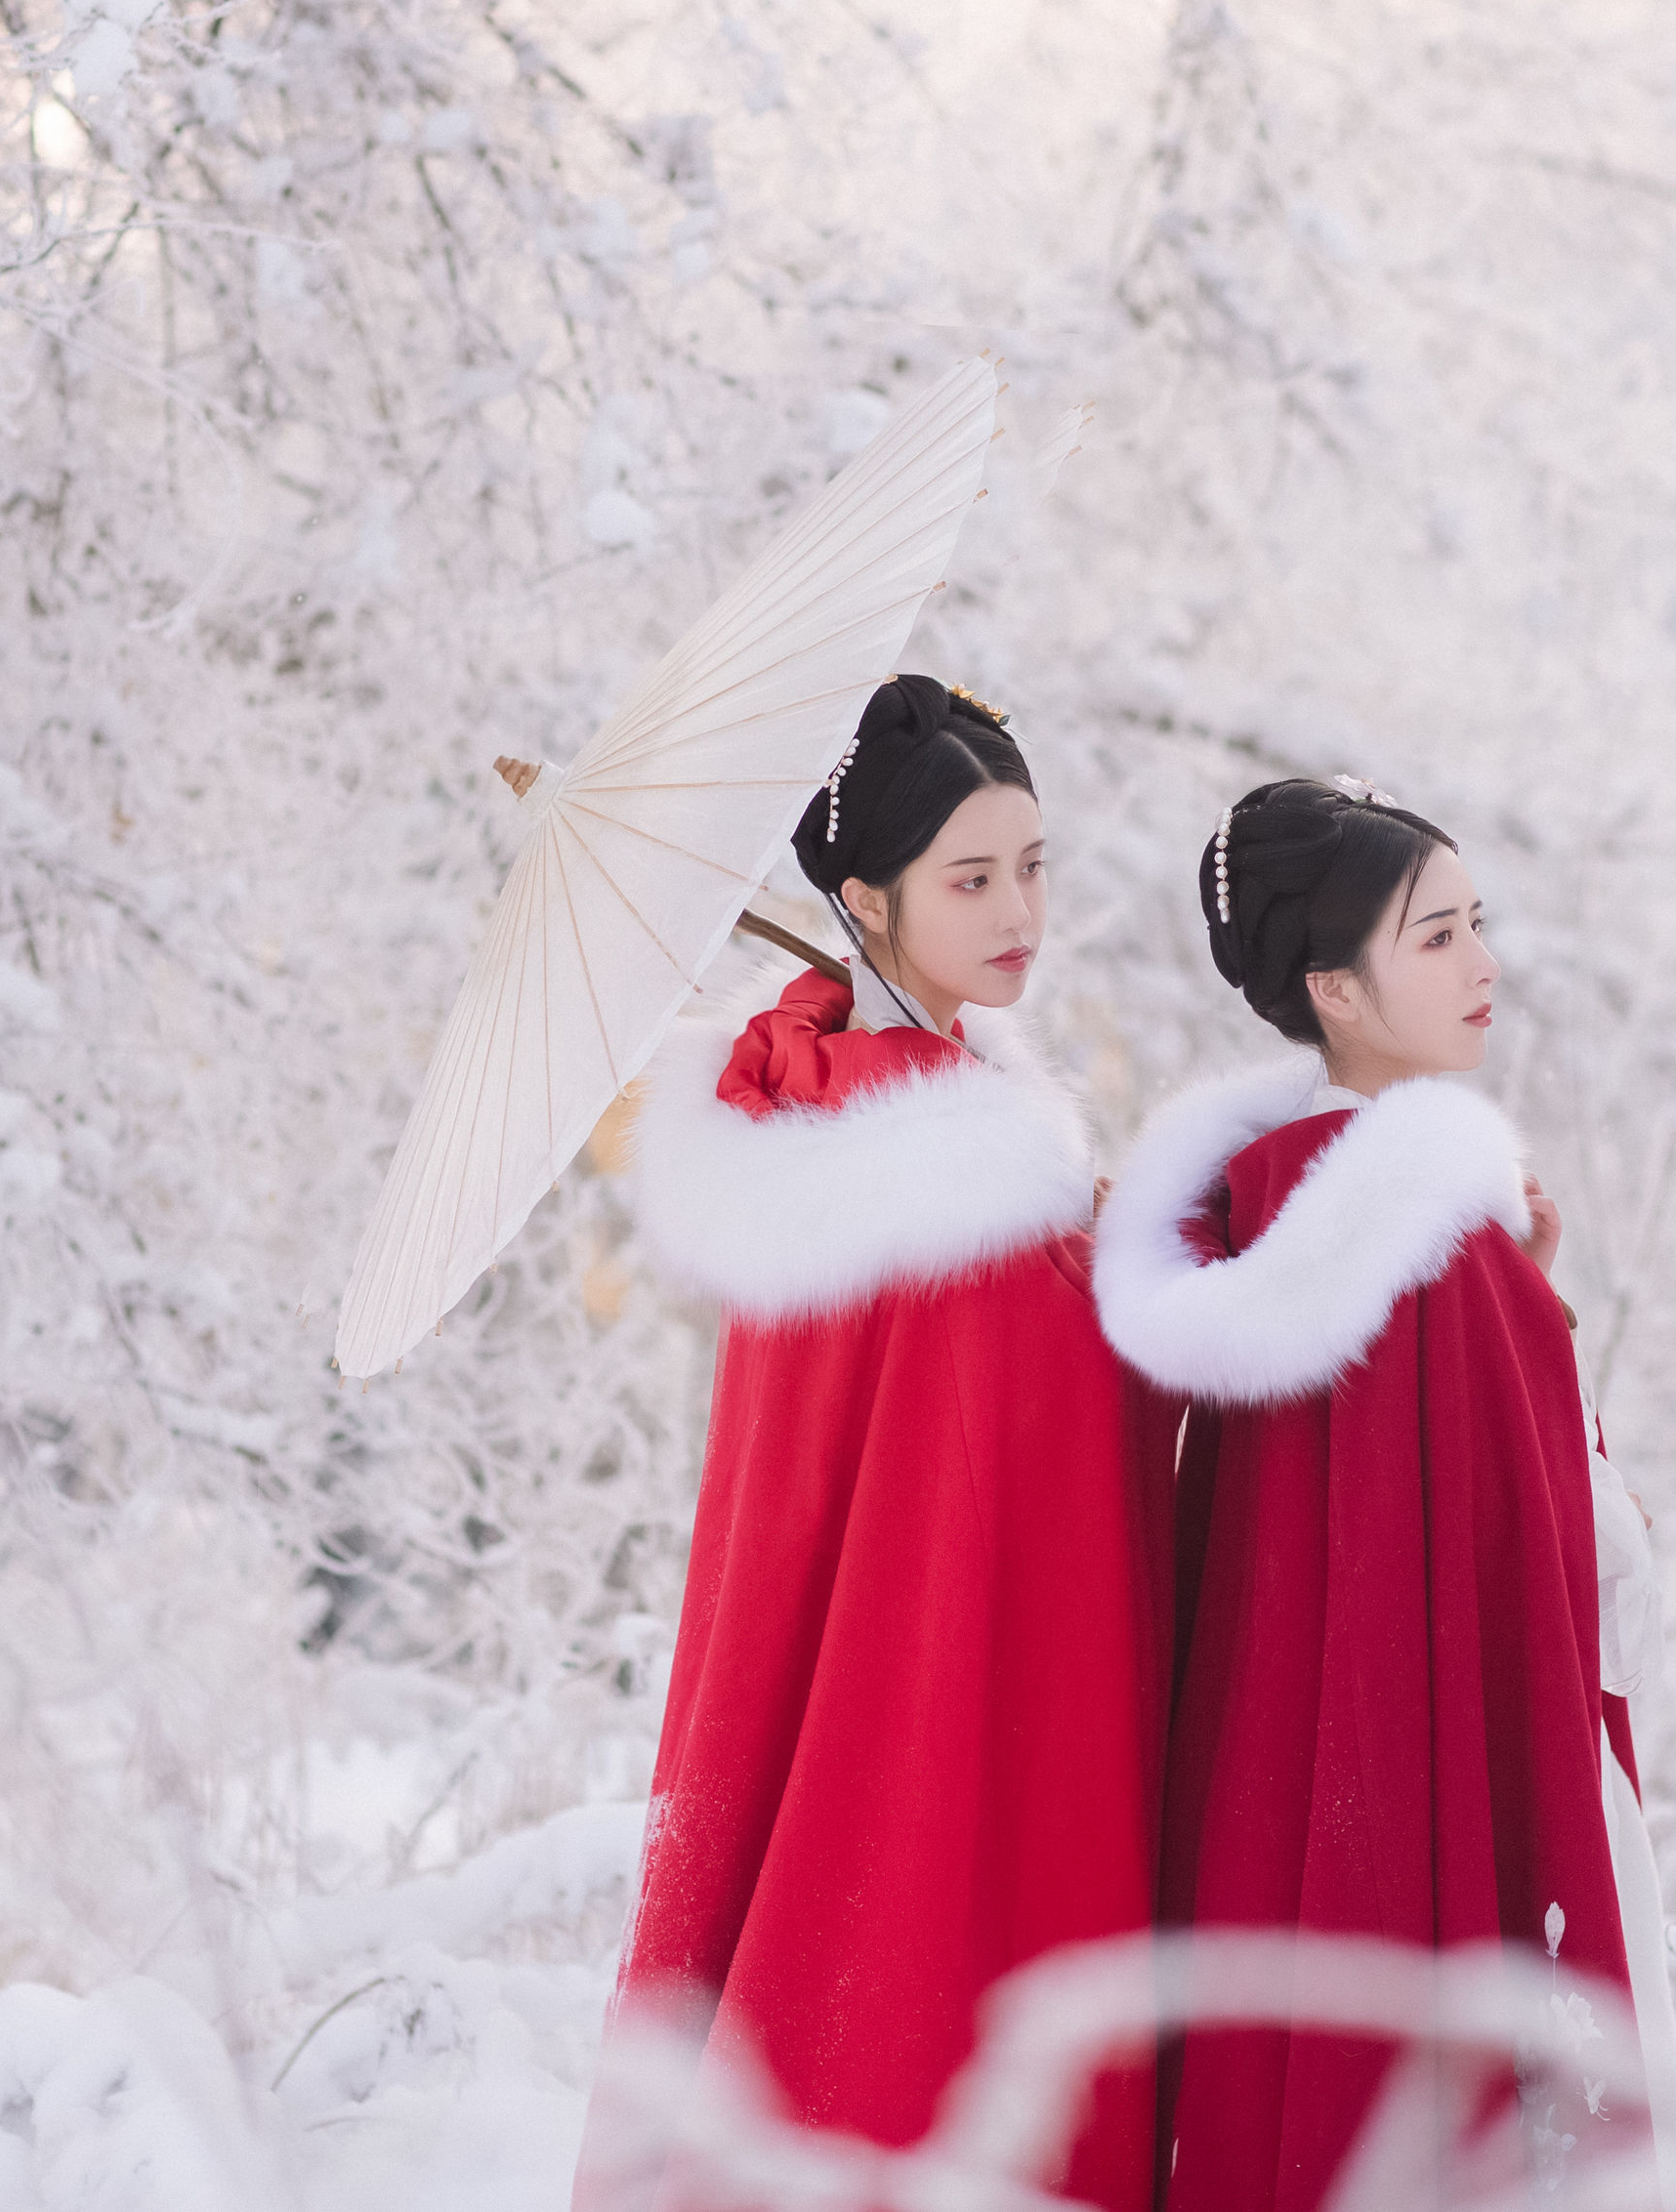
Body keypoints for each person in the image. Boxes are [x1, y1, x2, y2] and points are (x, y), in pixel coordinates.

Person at [576, 676, 1168, 2212]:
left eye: (1033, 863)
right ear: (863, 896)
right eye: (970, 879)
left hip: (869, 1673)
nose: (1018, 908)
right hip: (938, 1705)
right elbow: (1034, 1433)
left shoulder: (808, 1092)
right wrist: (1116, 1275)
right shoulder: (933, 1164)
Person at [1095, 775, 1644, 2212]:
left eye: (1479, 924)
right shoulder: (1423, 1240)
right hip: (1433, 1791)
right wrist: (1517, 1300)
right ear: (1332, 984)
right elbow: (1577, 1567)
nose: (1486, 966)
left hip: (1287, 1812)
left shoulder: (1263, 1212)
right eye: (1439, 935)